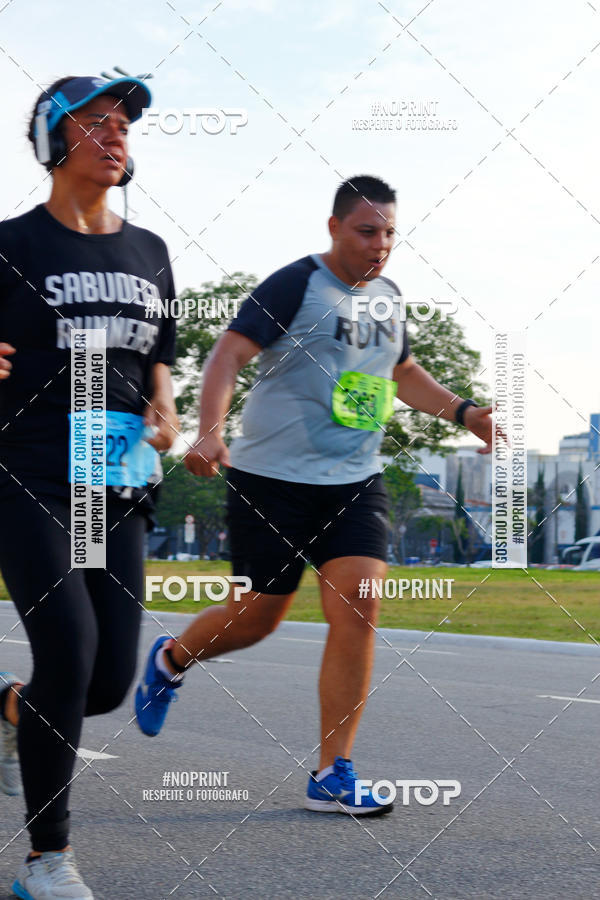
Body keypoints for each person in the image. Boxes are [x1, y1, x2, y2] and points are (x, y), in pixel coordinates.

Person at [135, 175, 493, 816]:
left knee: (360, 602)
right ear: (333, 228)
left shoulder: (388, 296)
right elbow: (226, 354)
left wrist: (464, 412)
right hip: (270, 480)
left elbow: (402, 371)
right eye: (366, 231)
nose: (380, 244)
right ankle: (172, 657)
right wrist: (211, 432)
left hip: (353, 480)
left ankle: (333, 771)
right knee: (257, 619)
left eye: (389, 232)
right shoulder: (295, 284)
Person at [0, 74, 178, 899]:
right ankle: (47, 862)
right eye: (96, 123)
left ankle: (8, 714)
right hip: (31, 471)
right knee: (67, 658)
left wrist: (168, 409)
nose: (116, 136)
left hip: (118, 483)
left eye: (125, 125)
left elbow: (159, 353)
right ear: (50, 142)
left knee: (104, 682)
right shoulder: (11, 244)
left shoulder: (150, 252)